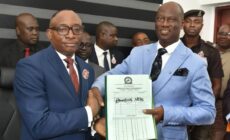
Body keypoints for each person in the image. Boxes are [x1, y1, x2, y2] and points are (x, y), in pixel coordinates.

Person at [91, 2, 216, 139]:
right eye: (160, 19)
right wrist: (97, 88)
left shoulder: (195, 63)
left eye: (171, 19)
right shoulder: (138, 53)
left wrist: (166, 113)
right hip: (132, 133)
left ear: (182, 24)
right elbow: (112, 75)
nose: (164, 24)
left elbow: (207, 112)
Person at [13, 10, 102, 140]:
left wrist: (96, 126)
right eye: (63, 29)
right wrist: (89, 112)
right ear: (49, 34)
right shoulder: (30, 66)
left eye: (77, 29)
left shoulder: (87, 68)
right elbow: (40, 125)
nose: (71, 35)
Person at [181, 9, 224, 140]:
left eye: (197, 22)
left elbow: (216, 84)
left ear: (202, 26)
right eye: (188, 21)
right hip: (177, 106)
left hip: (201, 107)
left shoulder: (211, 51)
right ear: (182, 24)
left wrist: (204, 106)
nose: (192, 25)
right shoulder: (174, 47)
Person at [0, 13, 44, 87]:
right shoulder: (4, 54)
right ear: (18, 31)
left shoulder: (45, 54)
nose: (35, 33)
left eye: (37, 29)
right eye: (30, 29)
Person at [214, 24, 230, 140]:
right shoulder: (208, 51)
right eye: (221, 33)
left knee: (218, 135)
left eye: (227, 34)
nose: (223, 36)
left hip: (223, 104)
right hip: (203, 101)